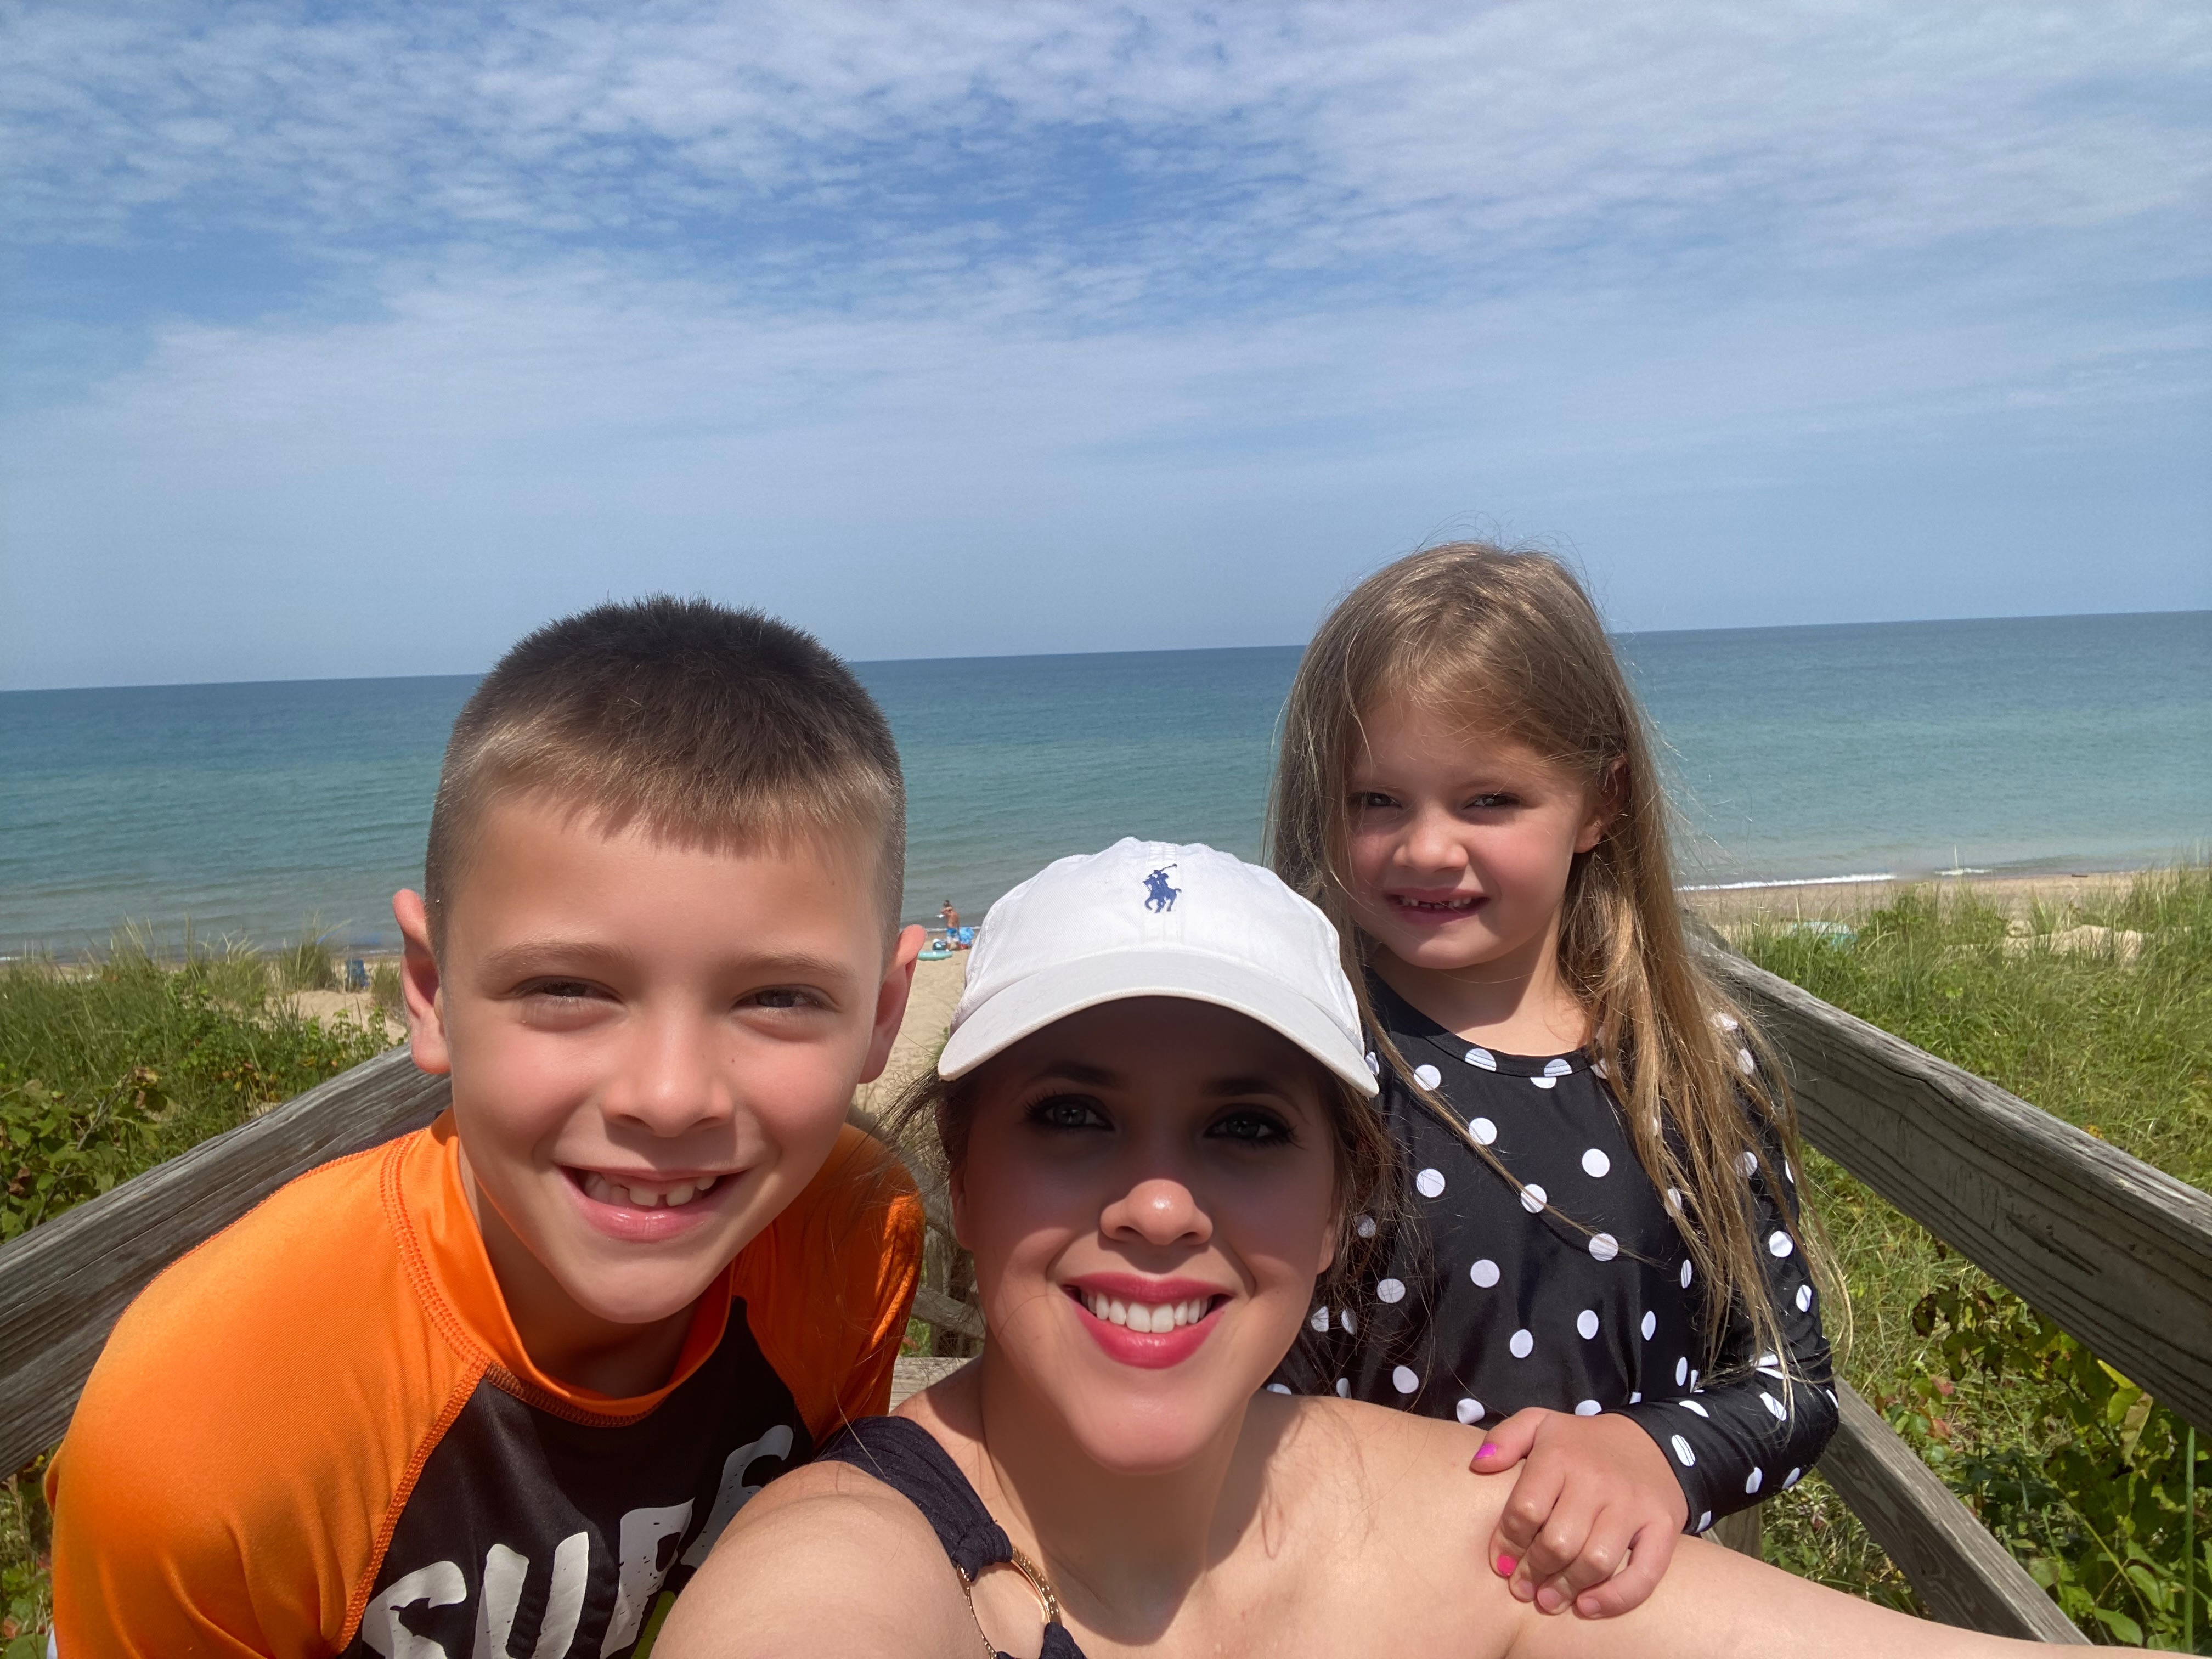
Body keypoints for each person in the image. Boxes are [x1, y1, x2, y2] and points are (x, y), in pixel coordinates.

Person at [658, 839, 2041, 1658]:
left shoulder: (1470, 1524)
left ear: (1338, 1210)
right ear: (963, 1173)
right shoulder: (849, 1565)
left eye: (1246, 1129)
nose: (1158, 1208)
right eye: (1073, 1115)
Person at [44, 599, 928, 1656]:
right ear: (430, 993)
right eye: (568, 988)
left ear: (882, 1015)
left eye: (777, 998)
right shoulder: (210, 1437)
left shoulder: (852, 1237)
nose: (669, 1096)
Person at [1265, 543, 1835, 1617]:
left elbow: (1790, 1382)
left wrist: (1653, 1454)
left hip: (1618, 1621)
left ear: (1599, 802)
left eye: (1489, 800)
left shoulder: (1691, 1066)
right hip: (1362, 1611)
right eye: (1378, 801)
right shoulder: (1306, 1059)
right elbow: (1243, 1385)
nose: (1427, 848)